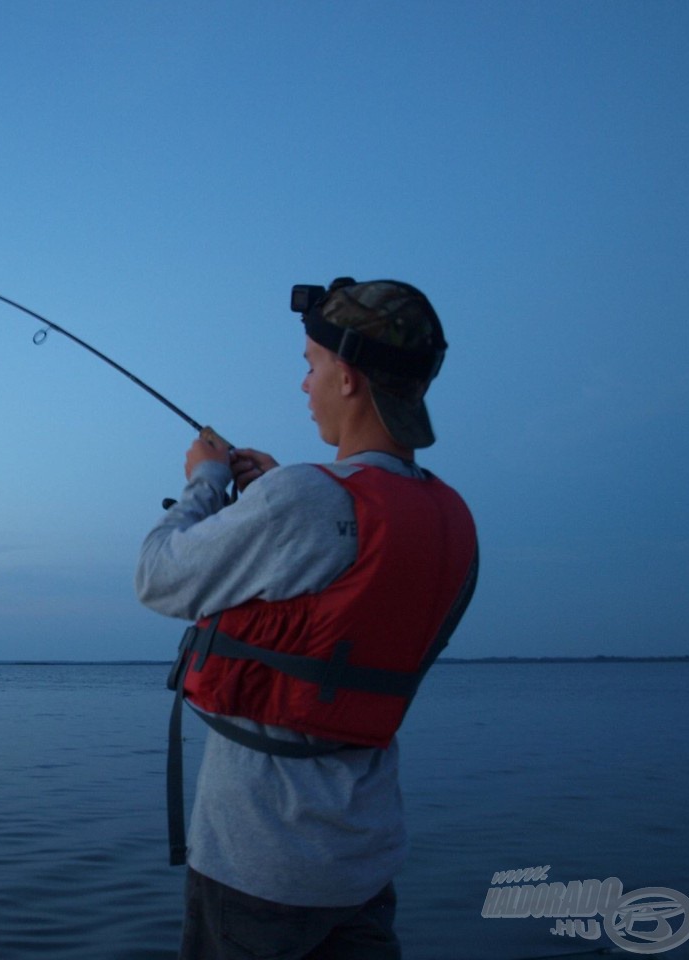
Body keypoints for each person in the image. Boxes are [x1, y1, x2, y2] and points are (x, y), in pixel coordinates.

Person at [136, 278, 478, 960]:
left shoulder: (308, 500)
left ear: (347, 378)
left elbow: (158, 575)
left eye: (310, 365)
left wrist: (206, 481)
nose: (304, 385)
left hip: (259, 862)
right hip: (363, 860)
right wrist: (270, 493)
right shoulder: (450, 518)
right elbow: (344, 588)